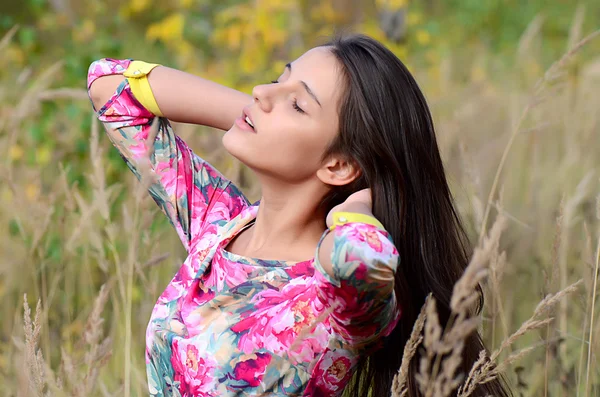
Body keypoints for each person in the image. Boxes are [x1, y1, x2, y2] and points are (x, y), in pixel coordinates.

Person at [87, 34, 510, 397]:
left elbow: (361, 257)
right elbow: (111, 87)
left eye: (298, 105)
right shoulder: (220, 223)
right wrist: (259, 115)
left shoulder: (332, 297)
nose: (260, 90)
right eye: (278, 79)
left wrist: (361, 204)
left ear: (339, 167)